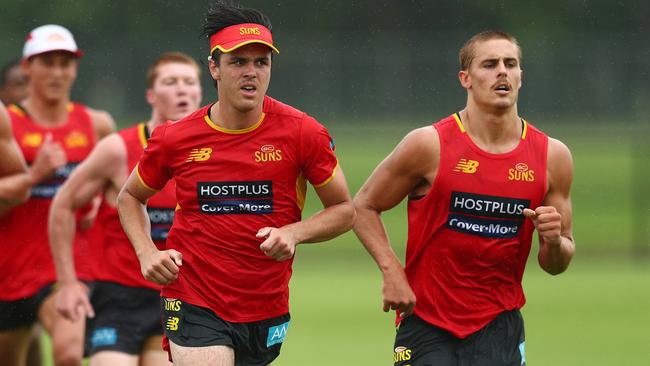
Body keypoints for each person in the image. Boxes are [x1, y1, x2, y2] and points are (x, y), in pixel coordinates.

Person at [117, 2, 356, 365]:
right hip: (192, 295)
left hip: (265, 304)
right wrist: (146, 251)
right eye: (238, 62)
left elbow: (344, 210)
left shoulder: (303, 132)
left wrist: (294, 233)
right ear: (214, 68)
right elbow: (131, 197)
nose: (251, 73)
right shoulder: (175, 138)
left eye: (261, 62)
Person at [353, 30, 575, 366]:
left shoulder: (552, 156)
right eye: (490, 64)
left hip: (499, 326)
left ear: (521, 77)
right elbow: (363, 206)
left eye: (510, 64)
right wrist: (392, 271)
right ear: (465, 79)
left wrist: (555, 241)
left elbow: (556, 264)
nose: (502, 71)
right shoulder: (428, 145)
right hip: (426, 323)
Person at [49, 51, 202, 366]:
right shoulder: (118, 148)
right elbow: (63, 204)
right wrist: (67, 282)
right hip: (119, 298)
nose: (182, 90)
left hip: (182, 298)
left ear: (201, 92)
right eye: (170, 82)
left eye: (189, 82)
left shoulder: (213, 152)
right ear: (151, 94)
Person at [0, 24, 115, 366]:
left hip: (68, 271)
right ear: (26, 67)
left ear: (75, 68)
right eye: (46, 62)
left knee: (68, 355)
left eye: (64, 63)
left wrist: (99, 202)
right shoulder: (8, 122)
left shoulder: (96, 124)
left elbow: (116, 190)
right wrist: (35, 176)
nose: (56, 72)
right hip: (11, 271)